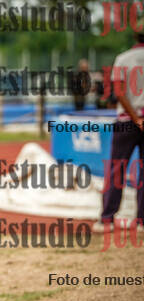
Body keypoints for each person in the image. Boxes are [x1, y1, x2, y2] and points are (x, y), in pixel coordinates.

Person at [92, 21, 144, 233]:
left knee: (116, 169)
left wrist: (136, 118)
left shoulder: (123, 59)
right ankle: (141, 221)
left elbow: (119, 93)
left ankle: (107, 219)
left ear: (135, 36)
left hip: (126, 122)